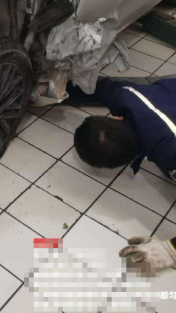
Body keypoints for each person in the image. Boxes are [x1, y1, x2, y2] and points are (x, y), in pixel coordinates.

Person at [71, 76, 176, 273]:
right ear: (115, 118)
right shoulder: (126, 96)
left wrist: (171, 249)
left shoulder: (170, 154)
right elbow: (94, 86)